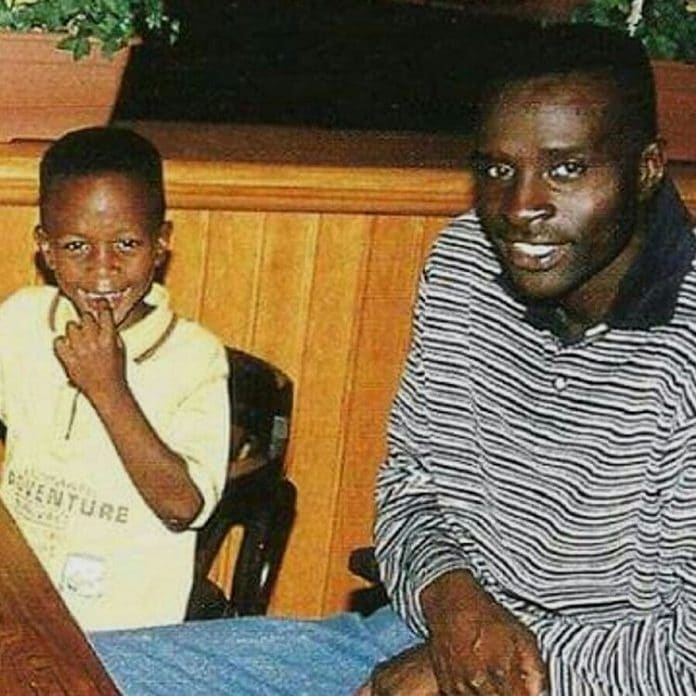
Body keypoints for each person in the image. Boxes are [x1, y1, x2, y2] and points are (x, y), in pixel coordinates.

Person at [89, 22, 696, 695]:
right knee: (67, 671)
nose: (521, 207)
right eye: (497, 168)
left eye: (566, 168)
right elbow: (412, 487)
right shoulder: (468, 264)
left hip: (596, 680)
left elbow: (684, 655)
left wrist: (458, 670)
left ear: (645, 170)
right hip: (421, 632)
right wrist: (450, 607)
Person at [0, 127, 229, 632]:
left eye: (126, 243)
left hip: (124, 633)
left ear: (161, 243)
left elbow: (181, 505)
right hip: (16, 611)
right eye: (77, 245)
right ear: (46, 248)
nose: (103, 270)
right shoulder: (20, 320)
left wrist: (108, 388)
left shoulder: (195, 358)